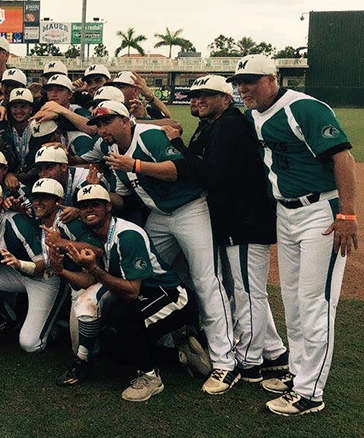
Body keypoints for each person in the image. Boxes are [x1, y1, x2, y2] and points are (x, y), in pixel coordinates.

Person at [231, 54, 358, 416]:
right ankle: (299, 374)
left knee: (316, 302)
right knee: (293, 300)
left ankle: (310, 393)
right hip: (285, 212)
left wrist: (348, 214)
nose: (244, 88)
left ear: (272, 79)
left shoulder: (303, 108)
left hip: (322, 212)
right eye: (240, 82)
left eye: (252, 81)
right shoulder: (253, 115)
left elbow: (343, 158)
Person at [96, 100, 239, 395]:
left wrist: (135, 165)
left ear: (125, 120)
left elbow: (178, 170)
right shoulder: (114, 154)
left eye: (107, 121)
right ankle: (174, 338)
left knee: (205, 280)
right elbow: (124, 198)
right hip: (160, 216)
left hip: (190, 210)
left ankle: (225, 362)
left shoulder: (147, 136)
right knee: (146, 275)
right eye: (98, 124)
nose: (102, 129)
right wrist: (99, 195)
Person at [164, 75, 288, 384]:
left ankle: (248, 362)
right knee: (245, 290)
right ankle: (275, 353)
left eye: (207, 94)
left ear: (225, 98)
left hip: (244, 222)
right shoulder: (216, 124)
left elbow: (211, 176)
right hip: (236, 220)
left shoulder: (229, 126)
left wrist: (177, 144)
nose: (198, 99)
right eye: (195, 95)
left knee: (247, 293)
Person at [64, 184, 195, 402]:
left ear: (108, 207)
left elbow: (132, 292)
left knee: (123, 320)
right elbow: (94, 280)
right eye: (84, 206)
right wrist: (63, 269)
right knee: (115, 350)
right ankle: (180, 355)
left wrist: (94, 268)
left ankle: (151, 377)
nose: (89, 210)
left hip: (171, 296)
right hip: (148, 295)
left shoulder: (127, 235)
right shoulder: (100, 236)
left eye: (94, 205)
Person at [0, 179, 67, 353]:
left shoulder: (17, 221)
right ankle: (10, 314)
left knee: (31, 344)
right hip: (19, 274)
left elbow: (43, 266)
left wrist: (19, 264)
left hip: (45, 278)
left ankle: (62, 325)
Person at [28, 178, 105, 386]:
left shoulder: (69, 221)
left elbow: (98, 249)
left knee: (88, 347)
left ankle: (109, 333)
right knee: (77, 344)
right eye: (36, 198)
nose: (39, 203)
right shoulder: (36, 219)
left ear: (58, 201)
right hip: (69, 281)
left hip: (91, 282)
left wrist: (61, 242)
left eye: (45, 198)